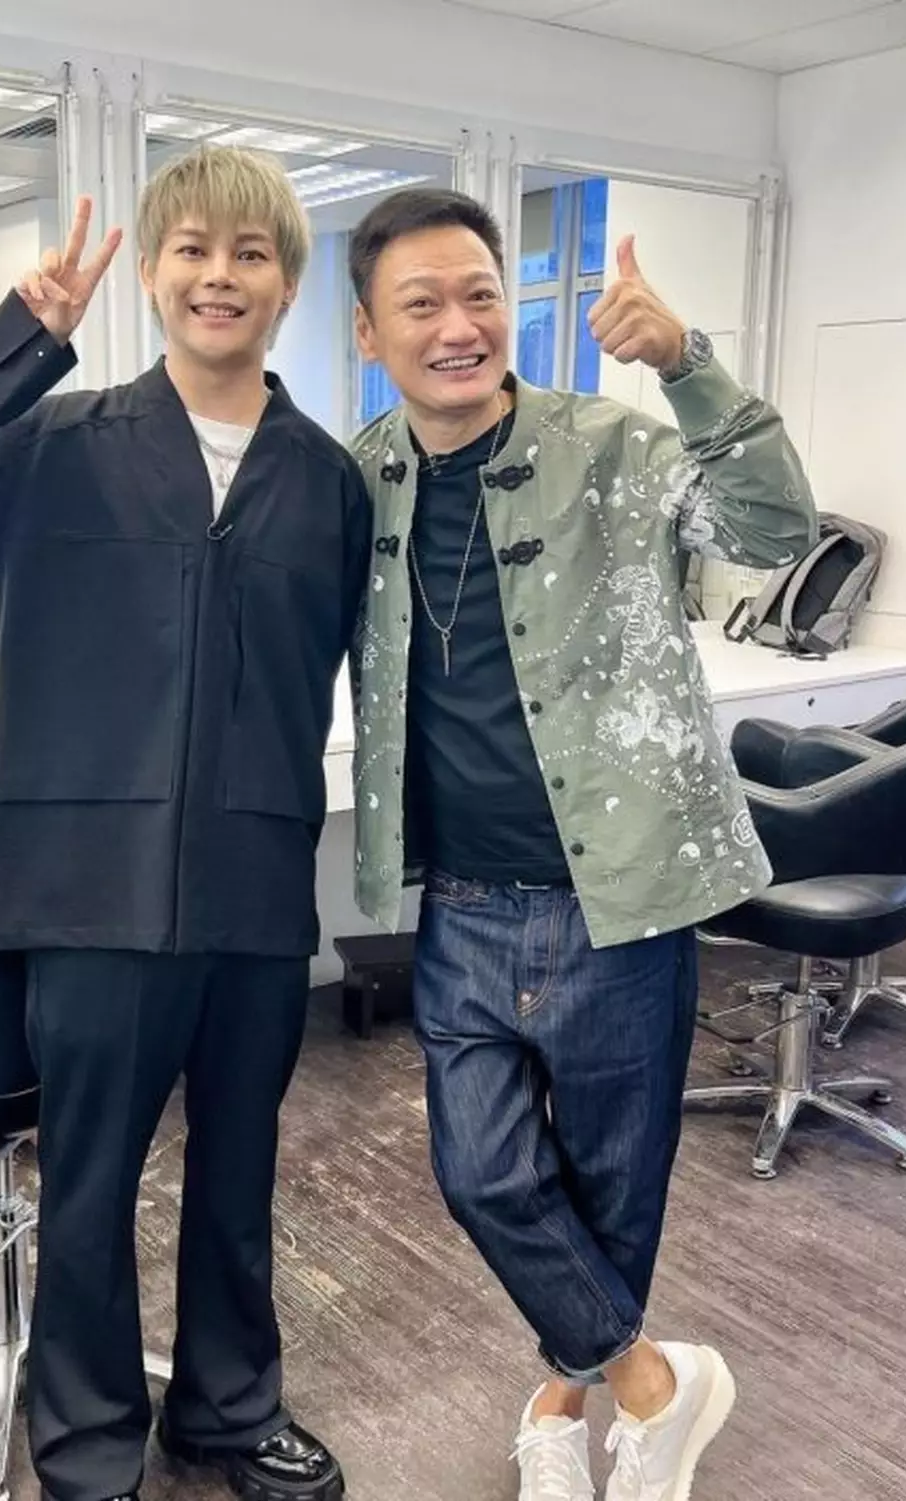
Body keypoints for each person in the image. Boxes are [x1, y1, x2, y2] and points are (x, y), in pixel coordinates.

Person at [0, 147, 369, 1501]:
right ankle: (87, 1447)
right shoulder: (55, 448)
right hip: (88, 888)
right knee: (87, 1189)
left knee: (240, 1179)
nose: (219, 275)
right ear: (154, 273)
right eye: (192, 248)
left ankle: (230, 1411)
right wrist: (22, 341)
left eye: (250, 253)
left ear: (287, 284)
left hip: (254, 882)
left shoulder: (329, 482)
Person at [346, 188, 815, 1501]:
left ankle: (566, 1397)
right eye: (422, 304)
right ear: (369, 332)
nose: (459, 326)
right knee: (482, 1174)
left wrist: (686, 361)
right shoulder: (355, 479)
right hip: (463, 903)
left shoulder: (609, 445)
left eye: (480, 296)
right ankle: (662, 1385)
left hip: (620, 893)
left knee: (612, 1191)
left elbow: (777, 534)